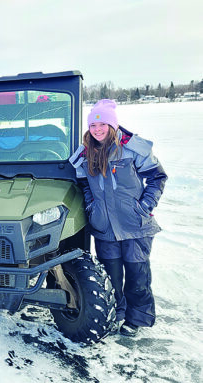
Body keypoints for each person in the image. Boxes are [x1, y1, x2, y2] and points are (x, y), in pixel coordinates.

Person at [69, 99, 167, 337]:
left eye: (102, 125)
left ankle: (136, 318)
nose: (97, 130)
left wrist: (144, 206)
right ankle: (116, 315)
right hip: (104, 228)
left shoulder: (133, 149)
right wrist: (92, 208)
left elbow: (157, 178)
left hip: (135, 225)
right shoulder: (85, 154)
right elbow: (84, 185)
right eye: (93, 125)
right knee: (110, 277)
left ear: (112, 126)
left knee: (137, 276)